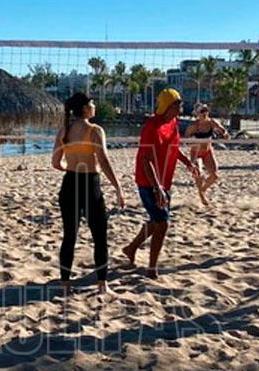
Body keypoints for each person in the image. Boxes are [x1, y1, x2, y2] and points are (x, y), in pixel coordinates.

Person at [52, 92, 125, 294]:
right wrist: (118, 187)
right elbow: (104, 161)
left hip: (69, 183)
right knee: (99, 236)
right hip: (90, 184)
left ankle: (65, 284)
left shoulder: (64, 130)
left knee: (69, 236)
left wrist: (70, 168)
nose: (94, 106)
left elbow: (55, 162)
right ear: (85, 108)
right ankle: (102, 284)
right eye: (92, 103)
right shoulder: (95, 130)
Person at [122, 88, 199, 278]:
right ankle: (152, 268)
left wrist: (188, 163)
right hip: (148, 180)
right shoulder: (152, 126)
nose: (181, 105)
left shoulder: (173, 122)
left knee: (156, 221)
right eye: (178, 103)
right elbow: (145, 160)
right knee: (162, 223)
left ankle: (131, 248)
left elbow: (174, 147)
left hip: (164, 180)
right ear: (168, 106)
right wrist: (157, 188)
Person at [185, 102, 228, 206]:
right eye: (202, 111)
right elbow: (186, 140)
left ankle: (203, 189)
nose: (204, 113)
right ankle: (201, 194)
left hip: (207, 152)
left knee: (215, 176)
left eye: (206, 111)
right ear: (197, 113)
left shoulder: (212, 123)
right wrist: (193, 141)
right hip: (195, 152)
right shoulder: (193, 126)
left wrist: (225, 134)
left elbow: (223, 131)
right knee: (198, 174)